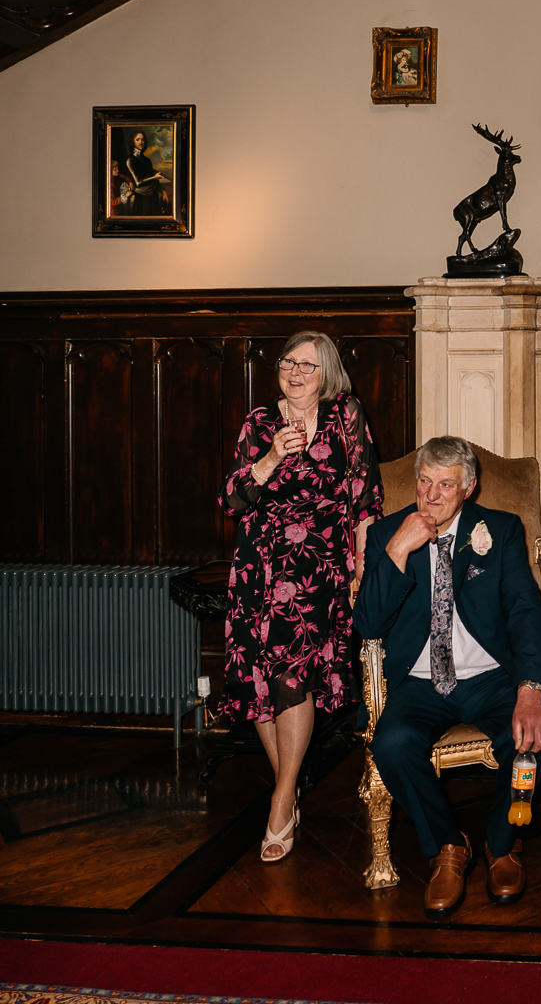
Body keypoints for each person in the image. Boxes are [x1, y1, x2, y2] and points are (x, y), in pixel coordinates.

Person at [355, 437, 541, 921]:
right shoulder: (389, 531)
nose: (430, 495)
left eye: (445, 485)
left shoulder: (502, 530)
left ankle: (501, 844)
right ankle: (447, 846)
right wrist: (399, 549)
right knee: (392, 743)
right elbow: (367, 624)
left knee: (527, 736)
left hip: (490, 675)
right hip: (420, 680)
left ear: (468, 487)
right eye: (424, 481)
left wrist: (529, 689)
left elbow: (524, 612)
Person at [218, 331, 381, 863]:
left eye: (308, 365)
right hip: (259, 568)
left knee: (292, 677)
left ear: (327, 373)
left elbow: (364, 494)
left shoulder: (345, 416)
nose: (295, 371)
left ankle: (281, 795)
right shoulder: (258, 423)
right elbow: (233, 500)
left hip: (318, 571)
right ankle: (286, 788)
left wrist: (362, 566)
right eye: (289, 362)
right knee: (260, 677)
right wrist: (267, 459)